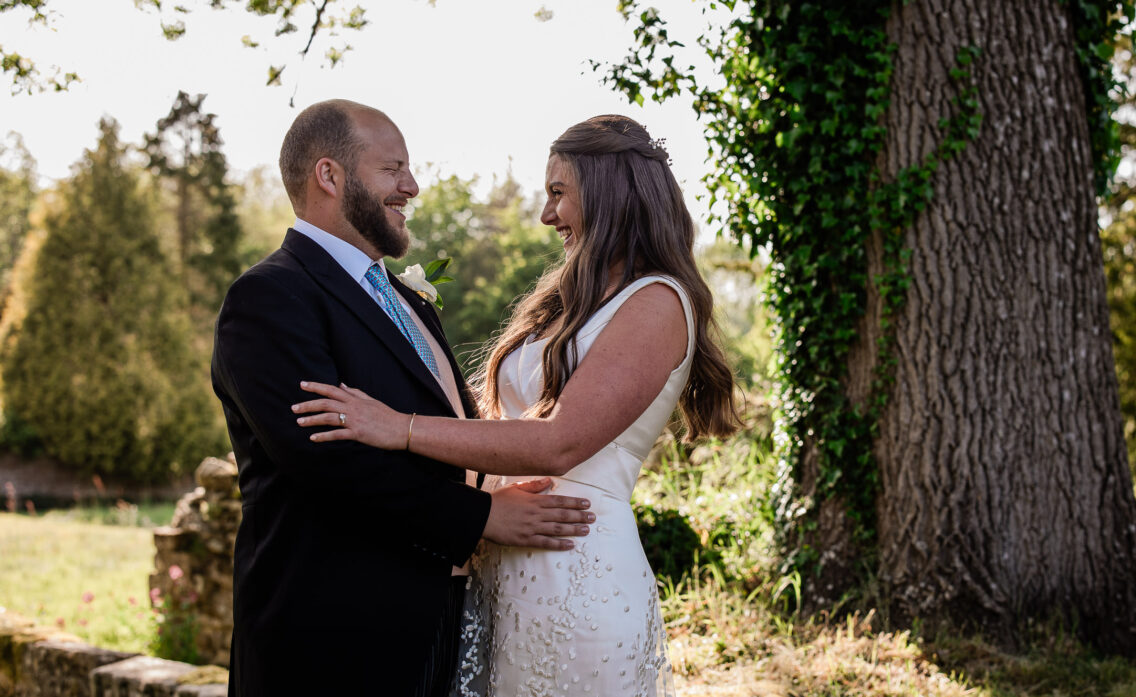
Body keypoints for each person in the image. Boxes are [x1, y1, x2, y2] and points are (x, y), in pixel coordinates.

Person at [292, 114, 741, 696]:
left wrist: (398, 427)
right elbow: (494, 420)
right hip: (504, 566)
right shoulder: (567, 299)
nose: (546, 215)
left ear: (609, 193)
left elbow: (560, 441)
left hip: (580, 572)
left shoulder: (656, 302)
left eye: (558, 193)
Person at [211, 99, 596, 697]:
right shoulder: (270, 298)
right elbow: (326, 460)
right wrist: (485, 517)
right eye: (393, 170)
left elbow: (444, 425)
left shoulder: (408, 300)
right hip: (329, 640)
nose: (411, 187)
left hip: (435, 620)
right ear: (330, 176)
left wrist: (492, 485)